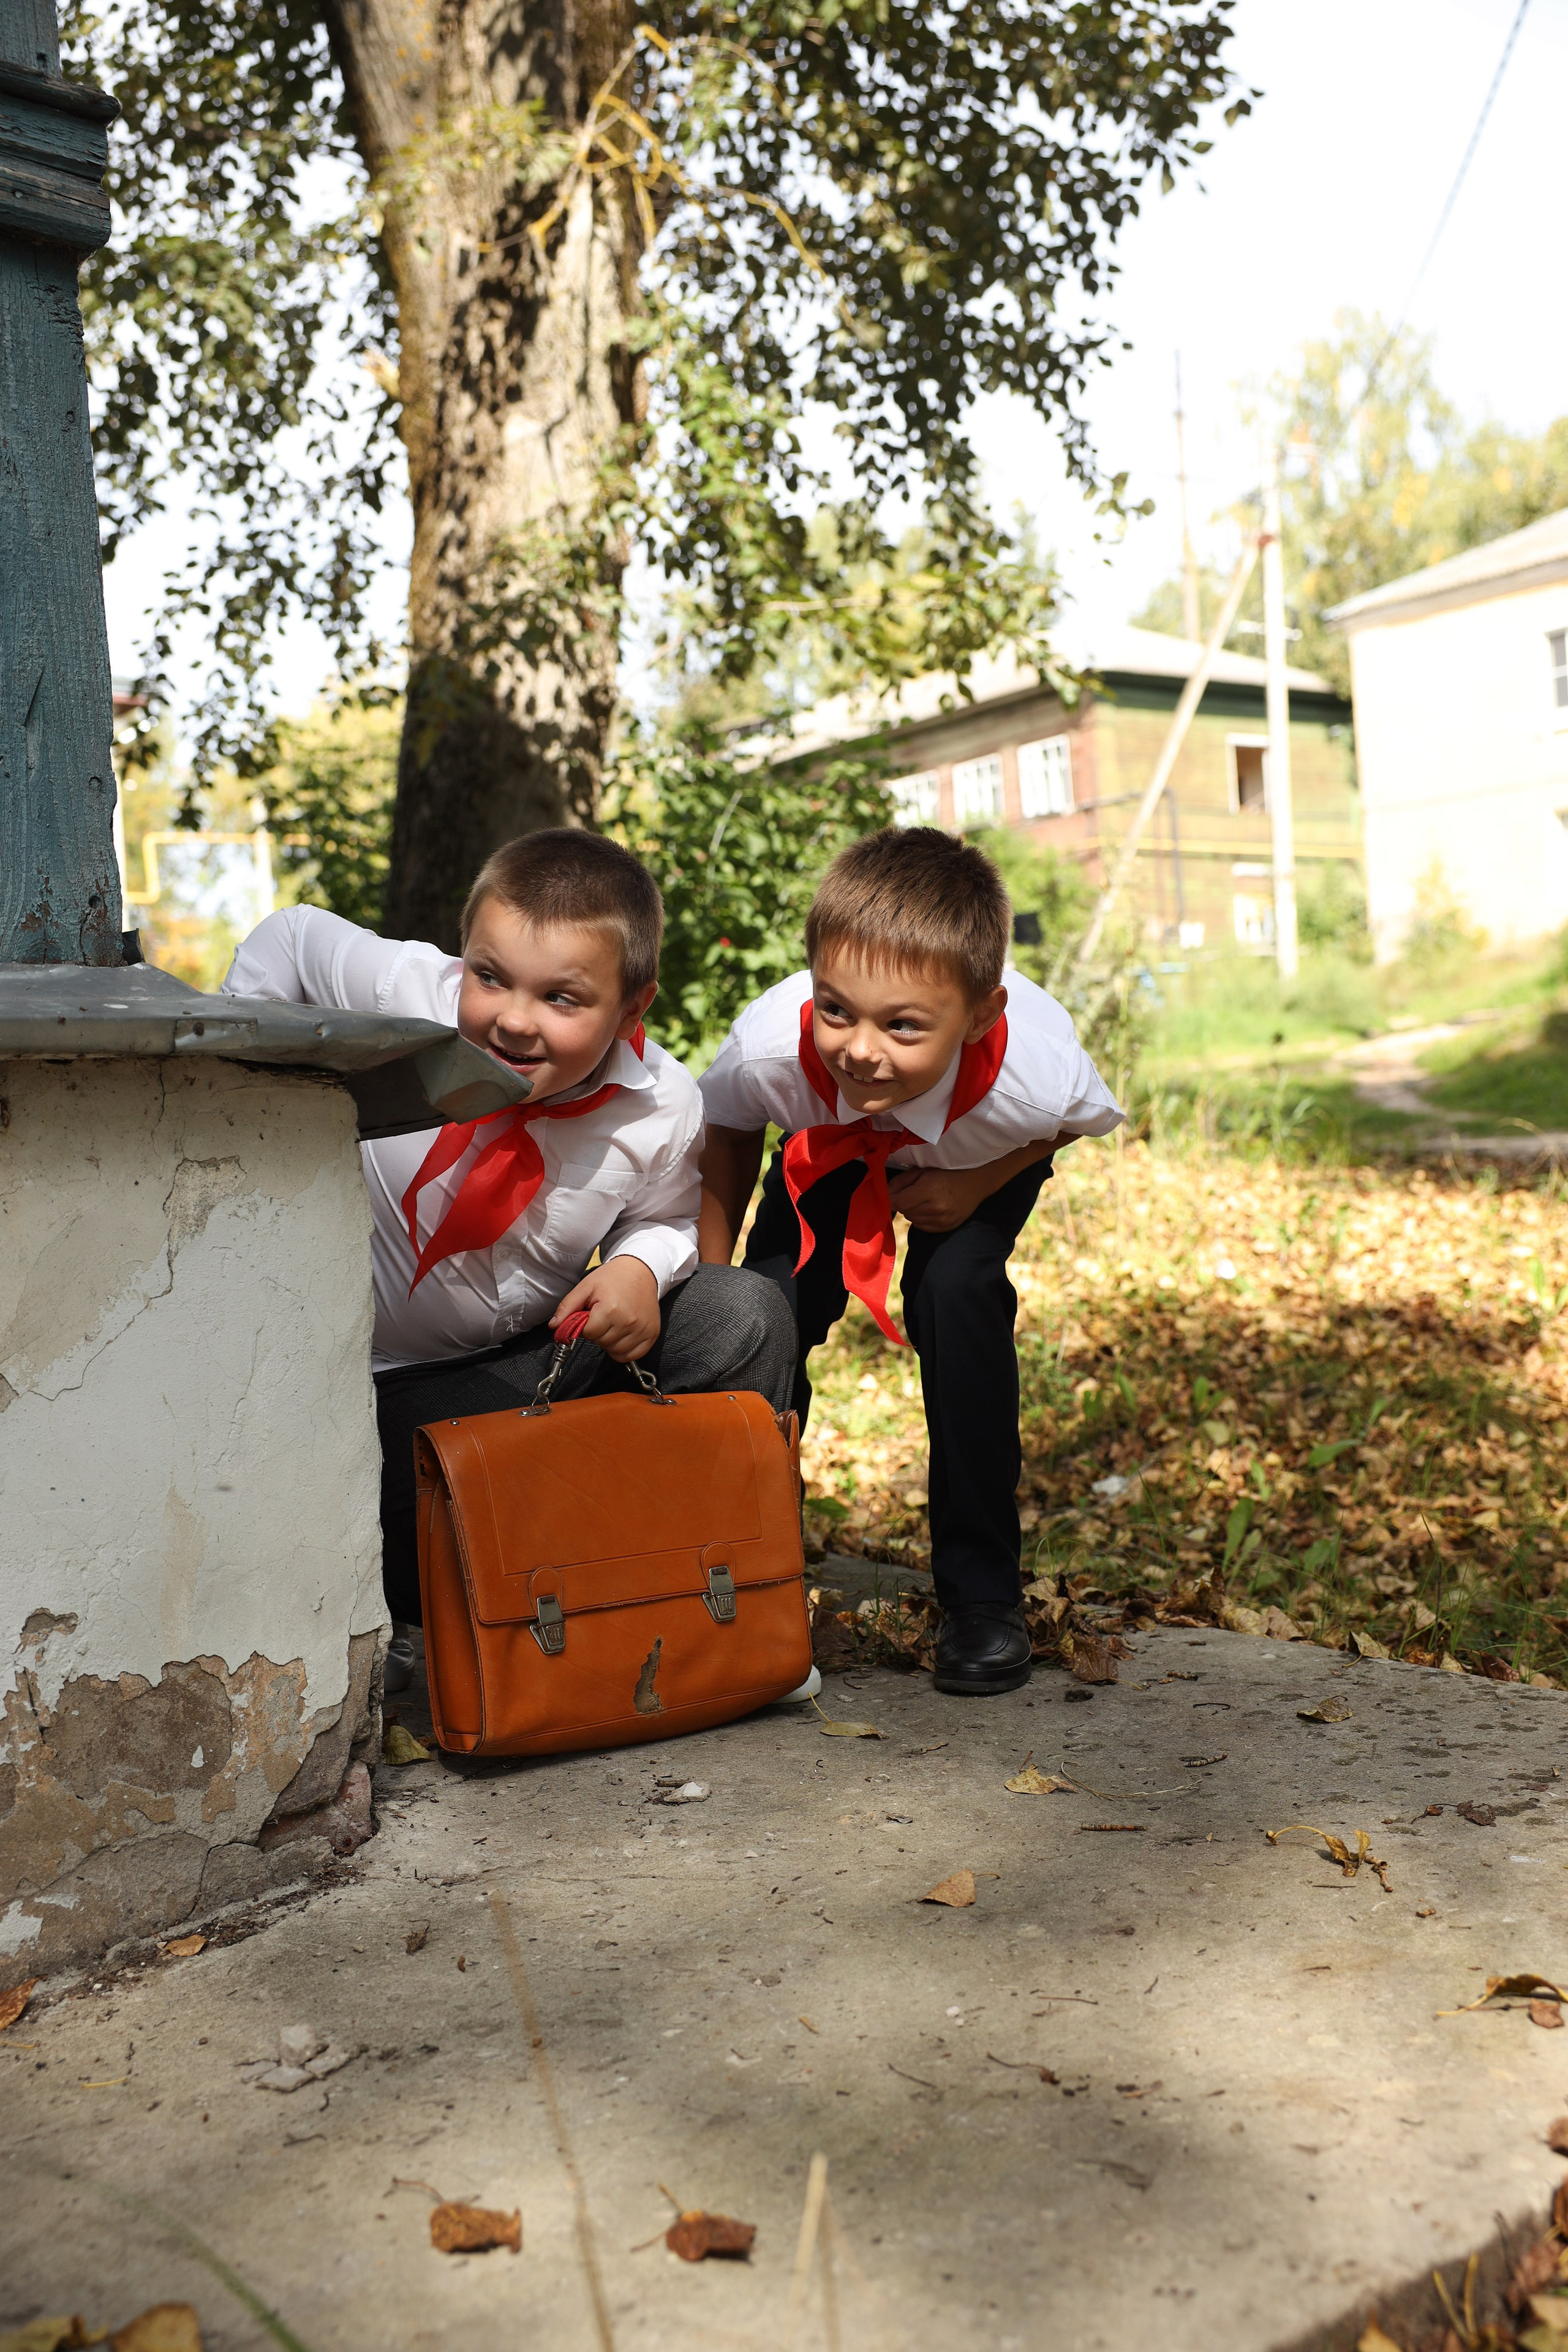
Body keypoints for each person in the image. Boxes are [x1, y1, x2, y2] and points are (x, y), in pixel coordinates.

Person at [224, 829, 797, 1692]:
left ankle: (713, 1599)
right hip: (369, 1403)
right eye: (490, 977)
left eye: (564, 999)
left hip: (534, 1373)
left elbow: (672, 1218)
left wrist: (641, 1266)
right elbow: (291, 936)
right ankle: (458, 1606)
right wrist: (242, 1097)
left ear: (632, 1007)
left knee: (741, 1312)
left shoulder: (660, 1103)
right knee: (341, 1505)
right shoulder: (407, 993)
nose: (514, 1019)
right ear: (463, 960)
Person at [696, 826, 1123, 1698]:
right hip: (831, 1143)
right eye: (839, 1009)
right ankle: (744, 1568)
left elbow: (1079, 1119)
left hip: (977, 1153)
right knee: (765, 1309)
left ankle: (982, 1598)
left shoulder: (1032, 1079)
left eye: (902, 1026)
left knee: (955, 1291)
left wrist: (974, 1186)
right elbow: (730, 1130)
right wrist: (709, 1281)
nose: (861, 1048)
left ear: (979, 1020)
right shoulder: (775, 1050)